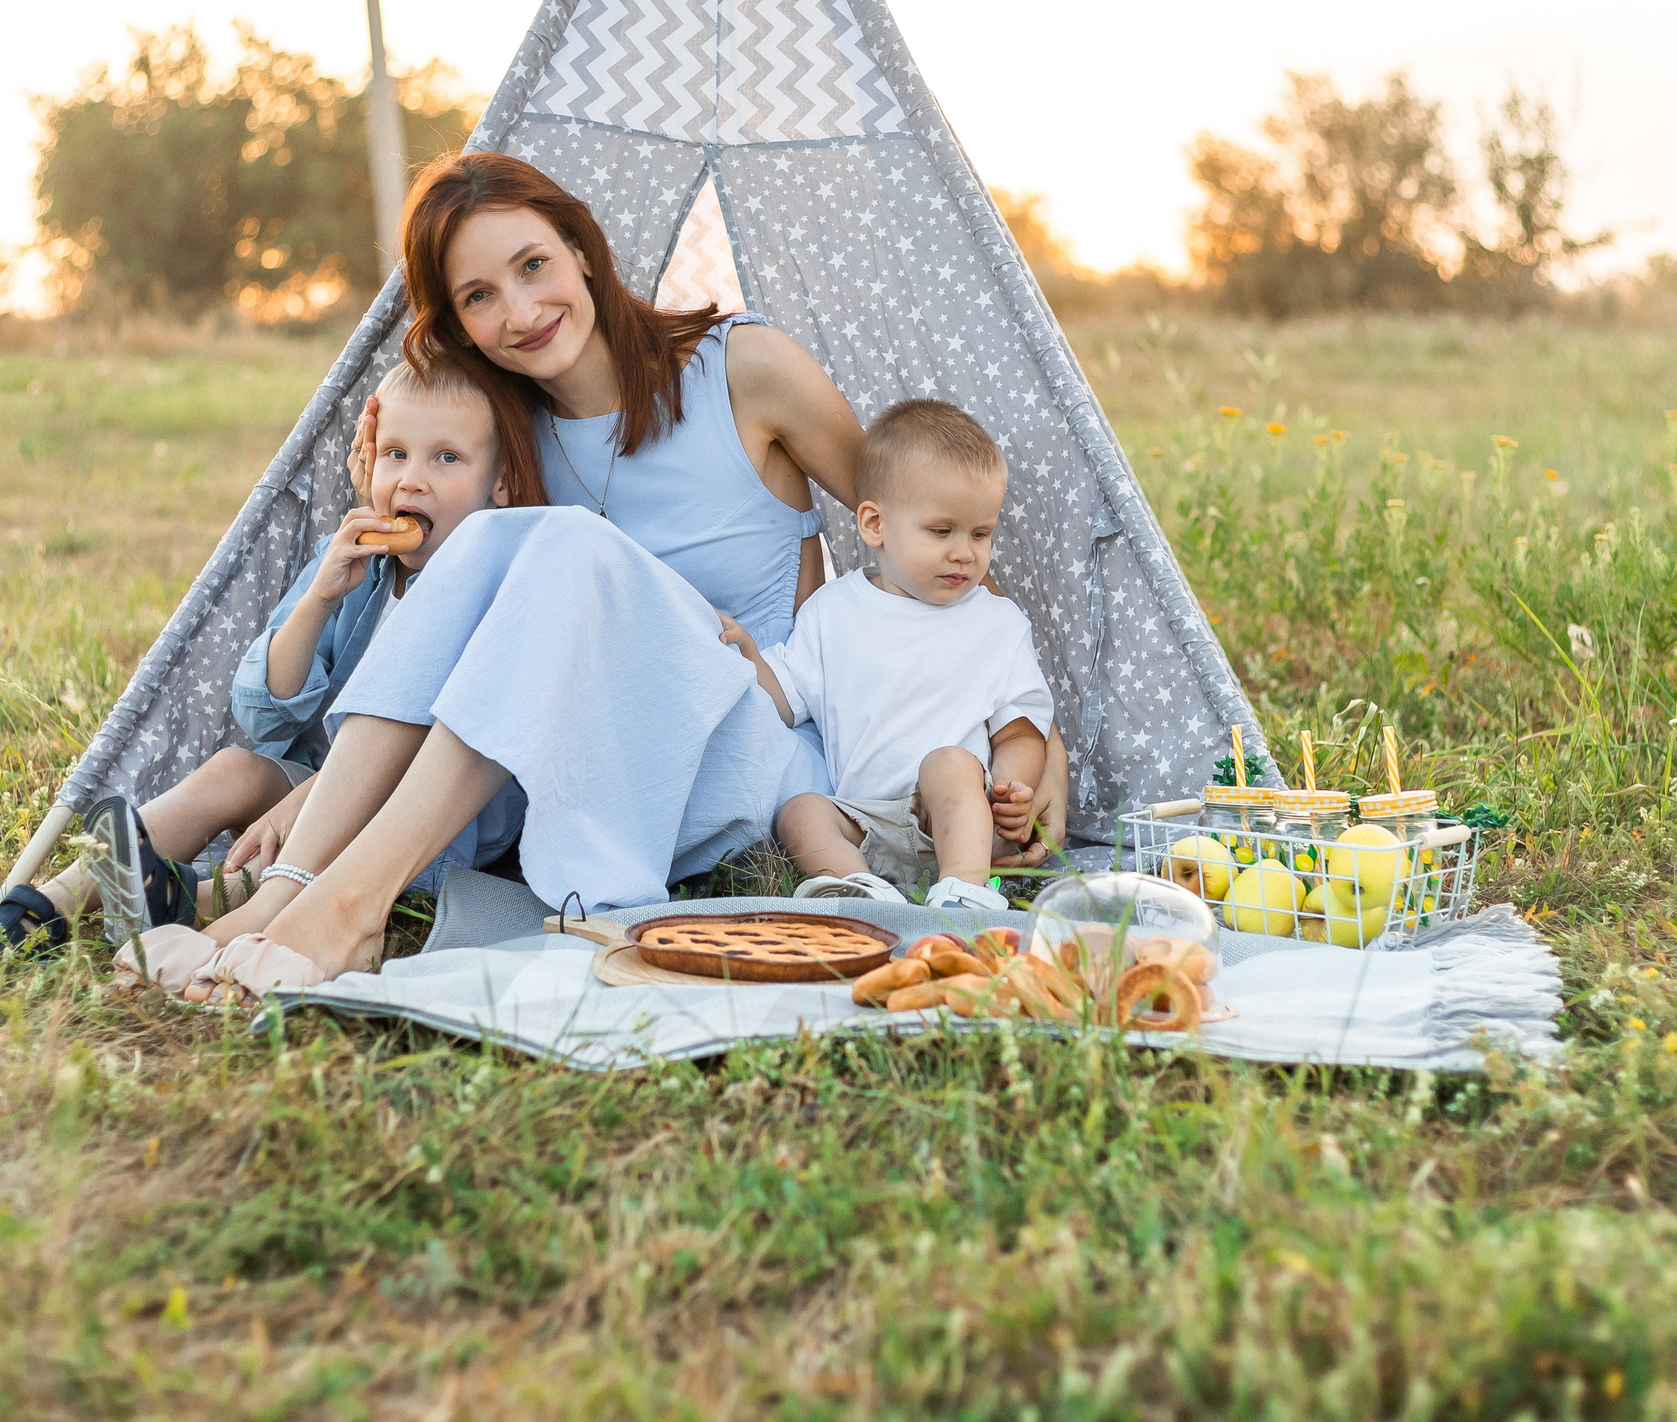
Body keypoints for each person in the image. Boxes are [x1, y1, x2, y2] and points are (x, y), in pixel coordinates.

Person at [133, 152, 1068, 1003]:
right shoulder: (505, 439)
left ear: (582, 250)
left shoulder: (744, 370)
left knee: (571, 541)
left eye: (533, 265)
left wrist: (1030, 739)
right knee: (509, 543)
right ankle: (288, 897)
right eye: (478, 297)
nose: (520, 310)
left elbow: (915, 532)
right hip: (574, 760)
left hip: (741, 742)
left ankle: (349, 903)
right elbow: (447, 622)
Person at [0, 360, 536, 963]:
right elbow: (264, 716)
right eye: (396, 454)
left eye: (447, 458)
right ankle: (39, 910)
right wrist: (320, 599)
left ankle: (188, 903)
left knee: (305, 842)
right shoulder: (352, 564)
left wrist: (308, 803)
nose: (412, 481)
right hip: (322, 789)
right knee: (234, 769)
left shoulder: (496, 587)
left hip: (427, 824)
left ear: (500, 482)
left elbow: (440, 750)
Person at [725, 399, 1054, 911]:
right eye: (941, 531)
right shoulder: (832, 611)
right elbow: (785, 700)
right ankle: (859, 891)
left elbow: (1020, 728)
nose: (965, 552)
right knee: (800, 810)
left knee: (948, 762)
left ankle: (965, 895)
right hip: (865, 820)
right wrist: (748, 655)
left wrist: (1014, 790)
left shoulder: (997, 621)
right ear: (875, 525)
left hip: (954, 818)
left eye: (981, 533)